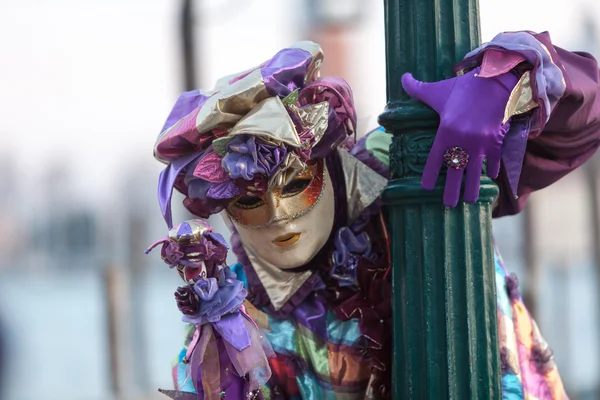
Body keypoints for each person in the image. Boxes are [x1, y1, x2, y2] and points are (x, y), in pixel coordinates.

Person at [151, 32, 600, 399]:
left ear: (327, 161)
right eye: (247, 200)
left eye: (293, 183)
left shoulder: (406, 160)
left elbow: (584, 124)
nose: (280, 216)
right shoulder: (236, 322)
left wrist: (508, 87)